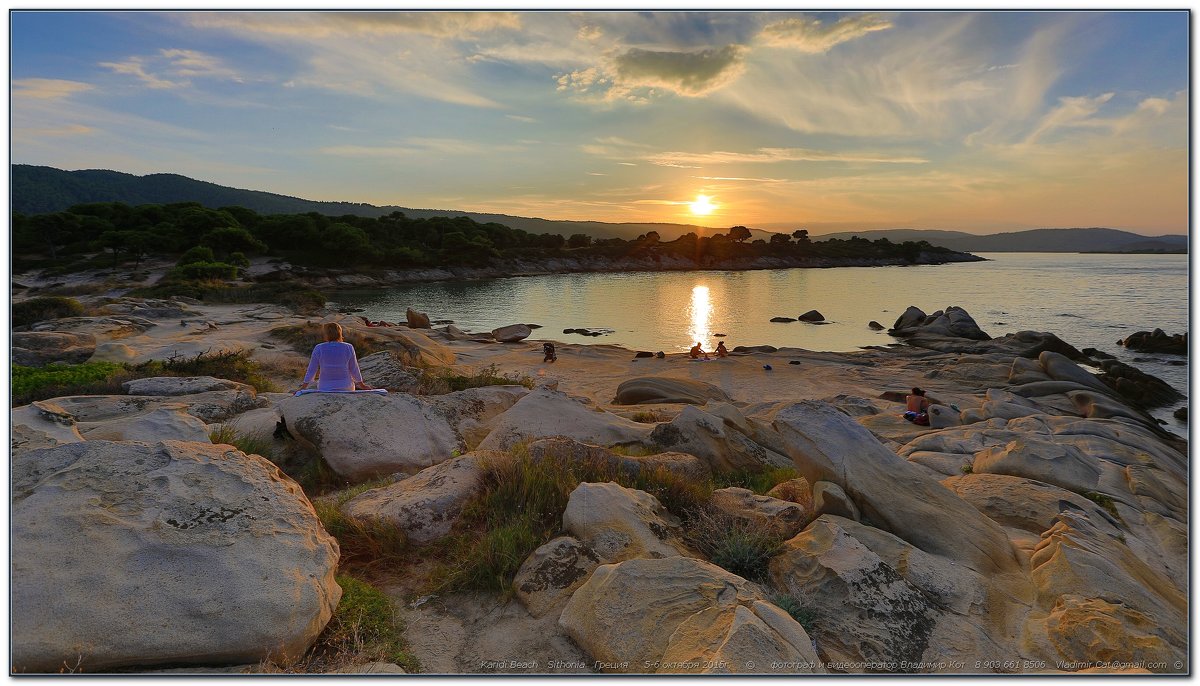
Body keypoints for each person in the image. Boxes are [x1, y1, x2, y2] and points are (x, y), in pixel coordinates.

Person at [297, 322, 373, 393]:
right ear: (339, 333)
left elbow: (312, 369)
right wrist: (362, 385)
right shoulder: (348, 347)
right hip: (346, 387)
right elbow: (354, 368)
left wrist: (303, 387)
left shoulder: (319, 348)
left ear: (326, 334)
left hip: (325, 388)